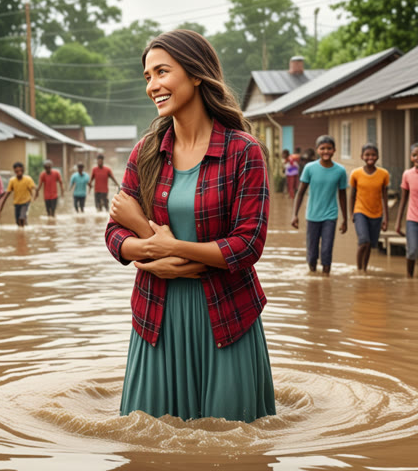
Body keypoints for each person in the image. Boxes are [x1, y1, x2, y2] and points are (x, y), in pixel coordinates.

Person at [105, 29, 275, 423]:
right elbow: (114, 234)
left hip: (227, 316)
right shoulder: (146, 152)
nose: (153, 86)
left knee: (231, 446)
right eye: (147, 77)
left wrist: (170, 246)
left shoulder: (243, 151)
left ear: (196, 74)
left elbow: (248, 245)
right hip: (156, 317)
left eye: (162, 72)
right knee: (147, 442)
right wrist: (149, 252)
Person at [291, 135, 348, 275]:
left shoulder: (340, 171)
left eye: (329, 148)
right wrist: (295, 215)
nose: (326, 151)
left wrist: (345, 219)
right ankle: (313, 273)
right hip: (312, 215)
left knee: (327, 249)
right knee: (312, 252)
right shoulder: (310, 168)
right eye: (322, 148)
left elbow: (342, 195)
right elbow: (300, 192)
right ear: (317, 150)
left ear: (334, 150)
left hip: (331, 215)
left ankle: (326, 277)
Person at [350, 144, 389, 271]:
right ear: (362, 156)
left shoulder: (383, 174)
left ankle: (364, 270)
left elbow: (385, 196)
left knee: (370, 245)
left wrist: (386, 218)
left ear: (377, 157)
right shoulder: (356, 173)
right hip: (360, 211)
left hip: (377, 214)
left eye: (373, 155)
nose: (370, 157)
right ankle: (358, 270)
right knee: (364, 240)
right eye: (367, 155)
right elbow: (352, 195)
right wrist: (352, 214)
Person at [395, 142, 418, 277]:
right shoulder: (407, 174)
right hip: (412, 220)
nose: (417, 157)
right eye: (414, 155)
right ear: (411, 157)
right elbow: (403, 200)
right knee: (412, 250)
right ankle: (409, 277)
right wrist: (398, 223)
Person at [0, 162, 36, 226]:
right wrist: (1, 206)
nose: (19, 172)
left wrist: (33, 198)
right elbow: (7, 193)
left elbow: (33, 189)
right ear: (14, 171)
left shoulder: (28, 179)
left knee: (21, 217)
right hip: (17, 203)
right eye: (17, 171)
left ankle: (22, 234)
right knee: (17, 222)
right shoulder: (12, 180)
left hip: (26, 202)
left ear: (23, 170)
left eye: (20, 170)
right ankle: (24, 228)